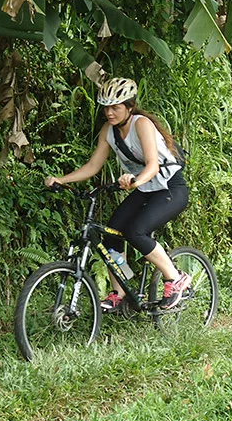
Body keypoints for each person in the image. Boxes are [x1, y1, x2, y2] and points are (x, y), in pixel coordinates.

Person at [44, 77, 191, 311]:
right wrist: (62, 179)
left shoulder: (141, 124)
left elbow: (152, 165)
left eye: (115, 107)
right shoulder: (108, 131)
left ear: (129, 106)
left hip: (170, 188)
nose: (109, 113)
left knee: (136, 232)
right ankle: (119, 292)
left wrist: (135, 181)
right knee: (111, 235)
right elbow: (93, 166)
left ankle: (175, 279)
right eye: (106, 107)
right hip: (144, 188)